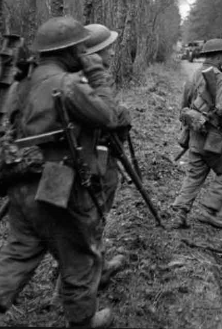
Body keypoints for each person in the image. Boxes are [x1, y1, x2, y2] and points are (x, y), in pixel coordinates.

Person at [0, 16, 125, 328]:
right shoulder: (68, 84)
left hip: (19, 182)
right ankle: (83, 321)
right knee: (80, 257)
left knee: (18, 251)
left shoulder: (21, 85)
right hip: (58, 184)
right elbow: (110, 117)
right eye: (80, 47)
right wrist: (98, 75)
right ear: (68, 51)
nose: (84, 52)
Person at [170, 38, 222, 230]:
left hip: (195, 135)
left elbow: (184, 107)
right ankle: (209, 210)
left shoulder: (194, 75)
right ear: (218, 56)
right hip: (213, 137)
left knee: (194, 175)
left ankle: (180, 213)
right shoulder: (219, 77)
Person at [82, 23, 130, 287]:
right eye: (107, 48)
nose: (112, 52)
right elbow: (106, 118)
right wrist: (122, 114)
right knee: (95, 215)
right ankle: (89, 273)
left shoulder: (78, 76)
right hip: (97, 158)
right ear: (95, 52)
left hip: (90, 155)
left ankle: (93, 265)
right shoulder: (93, 78)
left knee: (91, 216)